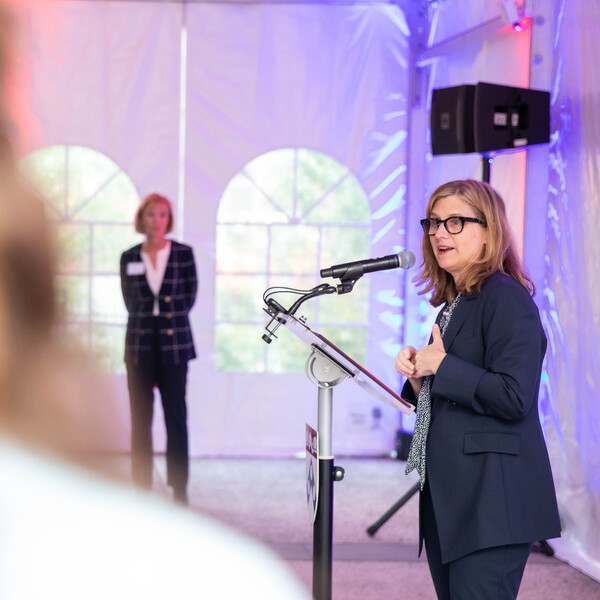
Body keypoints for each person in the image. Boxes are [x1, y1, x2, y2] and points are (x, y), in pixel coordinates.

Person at [395, 179, 561, 600]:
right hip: (454, 497)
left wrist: (443, 364)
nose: (438, 233)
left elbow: (514, 395)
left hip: (492, 501)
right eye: (433, 223)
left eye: (454, 222)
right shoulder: (458, 300)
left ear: (489, 230)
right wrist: (420, 380)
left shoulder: (505, 298)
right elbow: (455, 386)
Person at [120, 193, 197, 504]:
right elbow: (129, 301)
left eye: (162, 214)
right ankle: (140, 486)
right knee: (140, 419)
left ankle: (179, 488)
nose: (156, 220)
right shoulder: (128, 256)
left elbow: (189, 297)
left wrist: (165, 311)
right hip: (139, 343)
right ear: (142, 218)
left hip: (175, 342)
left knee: (175, 416)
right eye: (151, 214)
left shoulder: (183, 254)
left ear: (169, 219)